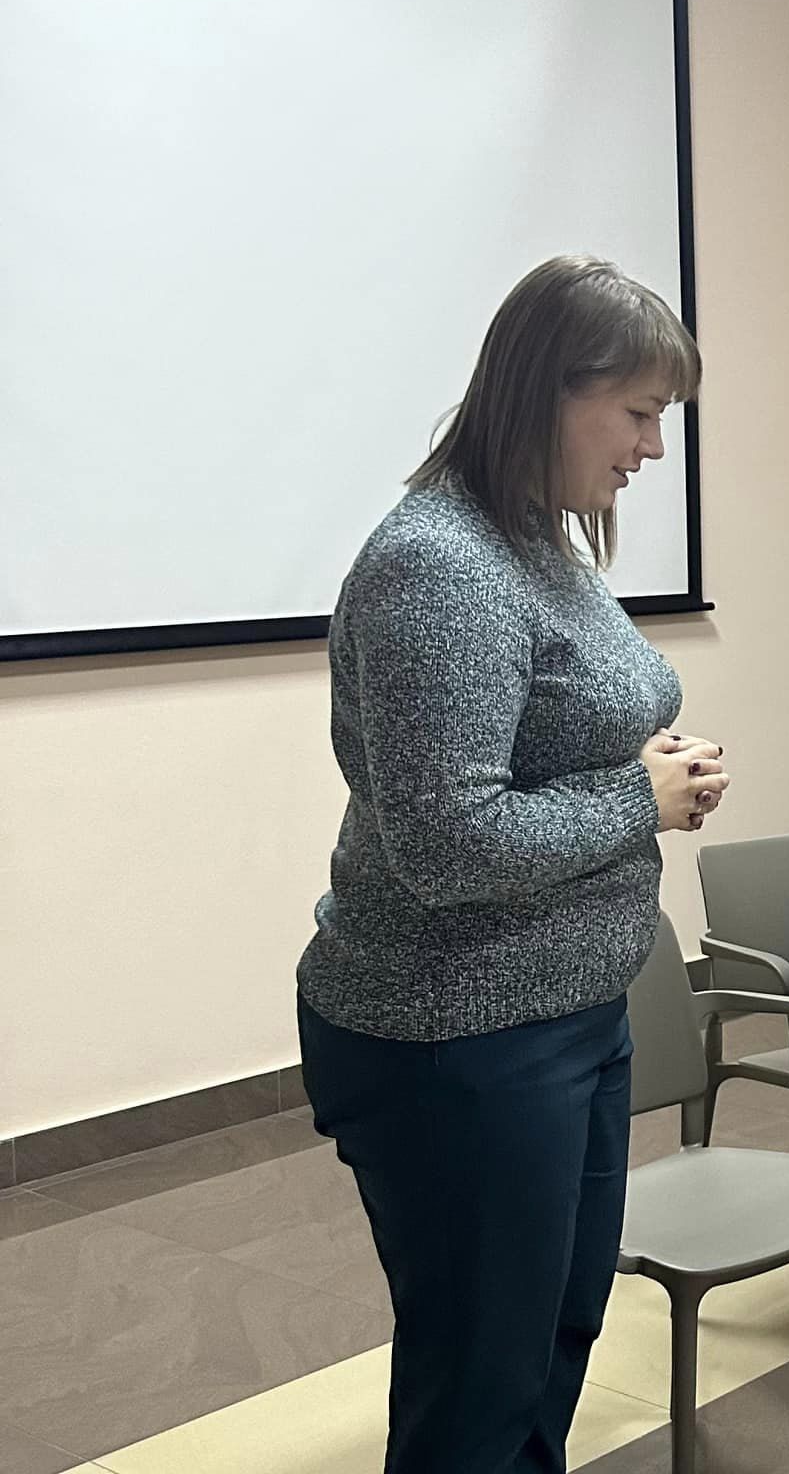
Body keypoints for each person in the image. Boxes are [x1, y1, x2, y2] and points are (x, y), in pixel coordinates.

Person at [296, 254, 727, 1474]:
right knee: (479, 1381)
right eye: (637, 412)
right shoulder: (438, 564)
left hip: (566, 1006)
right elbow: (448, 842)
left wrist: (639, 765)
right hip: (457, 1031)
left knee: (548, 1342)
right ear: (550, 390)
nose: (651, 445)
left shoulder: (535, 540)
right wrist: (637, 796)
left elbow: (543, 738)